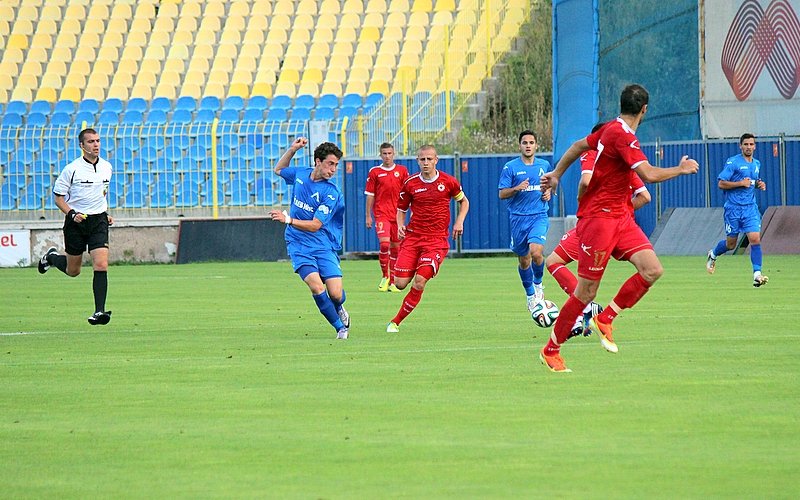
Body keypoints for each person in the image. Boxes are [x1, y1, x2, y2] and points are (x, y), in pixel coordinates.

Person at [538, 84, 699, 372]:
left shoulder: (611, 129)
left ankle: (607, 317)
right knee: (586, 293)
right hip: (599, 221)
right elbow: (648, 174)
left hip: (621, 218)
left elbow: (577, 146)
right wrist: (680, 169)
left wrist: (556, 174)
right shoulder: (622, 136)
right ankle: (551, 351)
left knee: (652, 270)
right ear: (645, 110)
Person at [546, 135, 652, 338]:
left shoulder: (592, 152)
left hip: (595, 224)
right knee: (651, 270)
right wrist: (624, 211)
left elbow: (586, 180)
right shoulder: (625, 162)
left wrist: (581, 200)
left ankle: (584, 311)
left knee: (553, 262)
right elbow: (645, 196)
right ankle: (595, 314)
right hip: (621, 228)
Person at [269, 138, 350, 340]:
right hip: (298, 244)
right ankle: (341, 328)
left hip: (322, 244)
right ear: (318, 161)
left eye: (336, 165)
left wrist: (288, 219)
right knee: (316, 286)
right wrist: (293, 149)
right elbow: (279, 169)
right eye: (330, 164)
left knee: (336, 294)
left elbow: (315, 225)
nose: (333, 169)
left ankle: (339, 306)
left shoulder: (331, 193)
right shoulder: (300, 174)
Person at [386, 145, 469, 333]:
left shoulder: (449, 182)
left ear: (436, 160)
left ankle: (395, 322)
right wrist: (400, 224)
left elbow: (464, 201)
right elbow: (402, 209)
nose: (426, 163)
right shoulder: (410, 184)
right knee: (399, 283)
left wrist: (459, 222)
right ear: (417, 161)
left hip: (436, 241)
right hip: (413, 239)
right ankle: (419, 264)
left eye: (429, 159)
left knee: (419, 281)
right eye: (422, 159)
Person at [37, 128, 114, 325]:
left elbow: (101, 193)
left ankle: (99, 311)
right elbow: (58, 198)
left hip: (98, 221)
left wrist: (105, 212)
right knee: (74, 271)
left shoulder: (107, 167)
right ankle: (51, 258)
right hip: (76, 223)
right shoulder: (72, 169)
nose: (96, 145)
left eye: (97, 141)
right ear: (82, 145)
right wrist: (71, 214)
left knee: (101, 264)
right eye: (91, 142)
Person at [497, 130, 552, 313]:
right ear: (520, 145)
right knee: (524, 260)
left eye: (531, 142)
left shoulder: (544, 165)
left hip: (539, 216)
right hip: (518, 219)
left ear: (536, 145)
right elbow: (502, 193)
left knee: (536, 252)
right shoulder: (510, 167)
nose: (528, 145)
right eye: (524, 142)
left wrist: (548, 192)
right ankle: (530, 295)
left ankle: (538, 286)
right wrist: (516, 188)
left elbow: (550, 186)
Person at [705, 133, 768, 287]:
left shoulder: (757, 164)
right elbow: (721, 183)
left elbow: (751, 182)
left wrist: (759, 184)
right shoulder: (733, 162)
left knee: (755, 239)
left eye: (751, 144)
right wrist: (740, 183)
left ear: (755, 146)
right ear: (740, 146)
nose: (748, 147)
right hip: (733, 209)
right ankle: (713, 254)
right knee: (731, 244)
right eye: (745, 144)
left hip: (750, 209)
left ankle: (757, 275)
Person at [364, 142, 409, 292]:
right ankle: (385, 276)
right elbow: (370, 195)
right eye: (384, 153)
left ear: (394, 154)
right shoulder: (375, 172)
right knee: (384, 244)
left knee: (396, 248)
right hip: (381, 214)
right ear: (380, 154)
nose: (387, 156)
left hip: (397, 216)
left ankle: (393, 282)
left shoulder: (402, 171)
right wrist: (368, 216)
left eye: (389, 153)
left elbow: (408, 193)